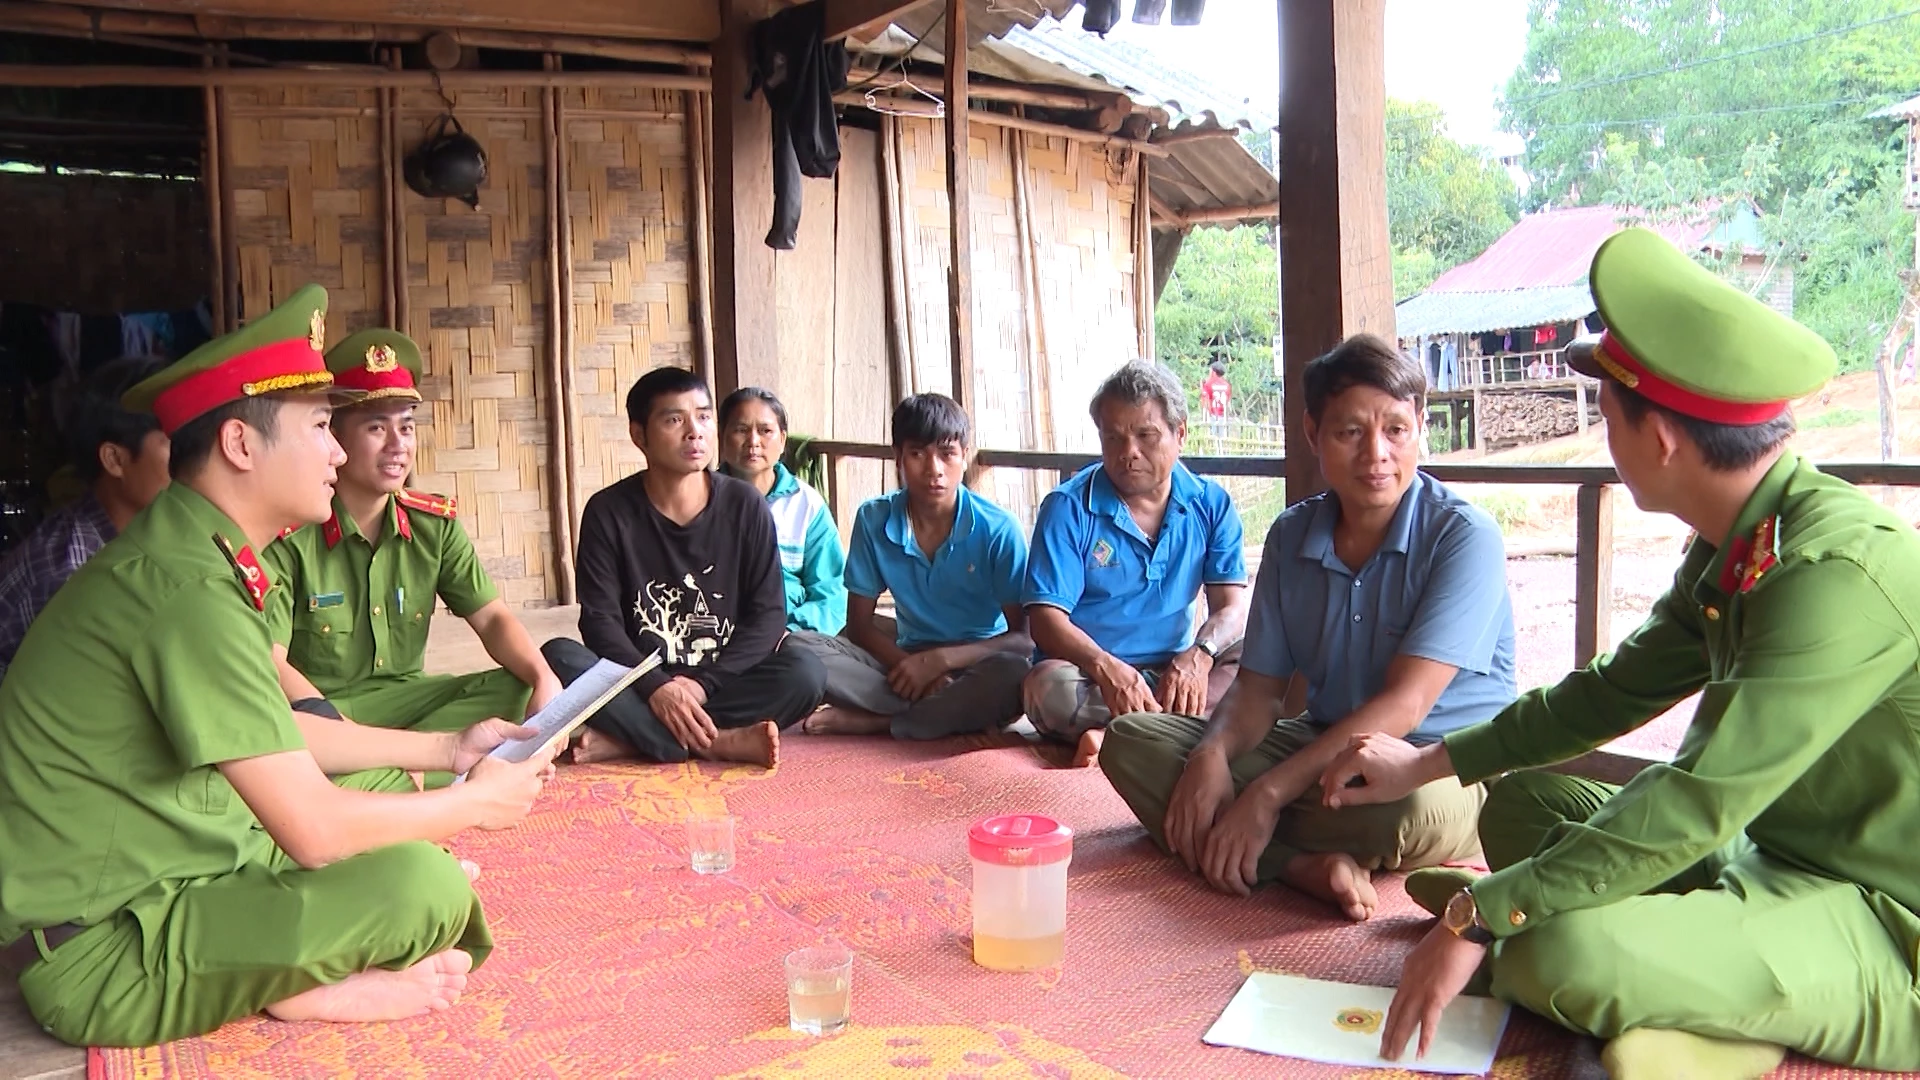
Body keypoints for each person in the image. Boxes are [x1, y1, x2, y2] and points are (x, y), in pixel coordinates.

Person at [1324, 228, 1920, 1078]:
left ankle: (1713, 1007)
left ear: (1663, 440)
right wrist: (1426, 765)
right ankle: (1708, 996)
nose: (1604, 440)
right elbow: (1607, 695)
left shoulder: (1833, 573)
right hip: (1762, 851)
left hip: (1882, 915)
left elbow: (1698, 799)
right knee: (1518, 807)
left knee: (1554, 951)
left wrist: (1479, 916)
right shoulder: (1740, 543)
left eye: (1606, 420)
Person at [0, 285, 559, 1048]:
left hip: (171, 852)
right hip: (102, 949)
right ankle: (293, 985)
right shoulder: (189, 589)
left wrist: (448, 749)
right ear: (240, 445)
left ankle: (280, 966)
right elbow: (315, 832)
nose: (339, 451)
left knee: (382, 791)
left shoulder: (195, 555)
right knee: (424, 887)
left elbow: (278, 728)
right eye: (324, 426)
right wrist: (478, 804)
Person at [1099, 334, 1514, 921]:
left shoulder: (1463, 537)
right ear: (1313, 433)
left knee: (1401, 812)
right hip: (1321, 743)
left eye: (1396, 430)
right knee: (1132, 743)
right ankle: (1299, 865)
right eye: (1350, 432)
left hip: (1440, 764)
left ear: (1421, 426)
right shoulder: (1292, 536)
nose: (1376, 454)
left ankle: (1260, 842)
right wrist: (1211, 755)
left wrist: (1268, 793)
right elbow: (1258, 690)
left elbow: (1406, 705)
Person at [265, 329, 561, 734]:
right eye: (376, 428)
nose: (397, 445)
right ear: (335, 437)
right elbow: (273, 660)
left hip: (411, 701)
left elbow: (492, 618)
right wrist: (344, 734)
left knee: (523, 686)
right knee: (280, 725)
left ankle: (391, 761)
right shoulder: (291, 538)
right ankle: (407, 757)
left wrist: (543, 678)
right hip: (324, 710)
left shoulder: (433, 526)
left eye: (406, 428)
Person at [541, 367, 827, 768]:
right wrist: (655, 687)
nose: (695, 432)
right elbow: (600, 623)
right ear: (639, 435)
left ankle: (638, 739)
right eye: (675, 420)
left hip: (720, 682)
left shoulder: (745, 506)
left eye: (704, 417)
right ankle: (714, 741)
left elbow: (768, 617)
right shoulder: (608, 512)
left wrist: (701, 686)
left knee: (806, 673)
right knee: (559, 655)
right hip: (637, 681)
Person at [1022, 359, 1251, 768]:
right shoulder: (1069, 507)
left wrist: (1200, 654)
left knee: (1261, 662)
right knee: (1046, 689)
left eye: (1146, 435)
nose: (1129, 453)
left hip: (1176, 672)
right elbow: (1045, 620)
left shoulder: (1211, 504)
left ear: (1180, 434)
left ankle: (1119, 736)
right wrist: (1106, 668)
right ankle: (1176, 733)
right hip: (1092, 677)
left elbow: (1231, 608)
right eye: (1113, 438)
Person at [789, 394, 1032, 740]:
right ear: (898, 458)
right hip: (903, 658)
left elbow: (1023, 640)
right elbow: (859, 626)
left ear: (964, 456)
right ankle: (941, 714)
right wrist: (915, 668)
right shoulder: (874, 518)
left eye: (947, 454)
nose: (934, 470)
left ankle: (882, 722)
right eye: (918, 454)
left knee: (1013, 674)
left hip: (977, 662)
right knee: (799, 647)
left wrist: (940, 662)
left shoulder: (998, 528)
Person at [0, 355, 170, 681]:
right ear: (114, 460)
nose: (193, 458)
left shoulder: (143, 533)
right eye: (173, 442)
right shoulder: (71, 575)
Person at [716, 386, 848, 635]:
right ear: (721, 436)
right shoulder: (700, 499)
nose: (753, 442)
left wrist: (790, 632)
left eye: (765, 431)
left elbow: (831, 592)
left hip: (789, 634)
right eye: (741, 430)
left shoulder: (806, 505)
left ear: (783, 440)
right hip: (717, 632)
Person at [1200, 358, 1231, 444]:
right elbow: (1228, 400)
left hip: (1212, 414)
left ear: (1213, 372)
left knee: (1212, 438)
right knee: (1222, 438)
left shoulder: (1208, 384)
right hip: (1223, 415)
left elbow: (1205, 399)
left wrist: (1206, 411)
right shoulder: (1227, 385)